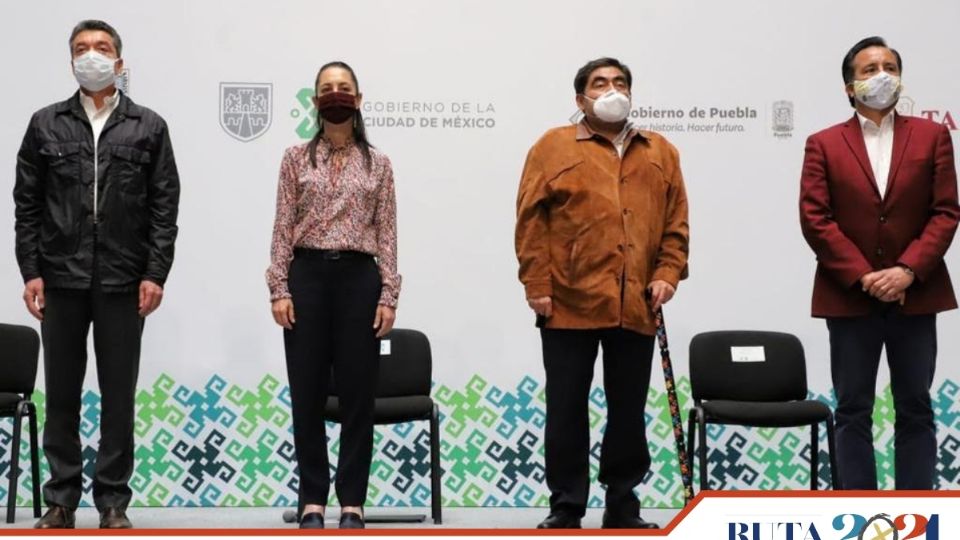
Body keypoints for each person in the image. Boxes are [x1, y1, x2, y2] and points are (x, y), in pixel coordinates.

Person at [14, 20, 180, 529]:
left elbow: (164, 207)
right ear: (71, 63)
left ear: (120, 62)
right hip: (61, 279)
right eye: (82, 49)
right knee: (61, 393)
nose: (92, 55)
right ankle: (61, 499)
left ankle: (112, 502)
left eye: (102, 48)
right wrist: (31, 271)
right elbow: (27, 205)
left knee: (117, 395)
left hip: (124, 281)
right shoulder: (45, 124)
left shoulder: (148, 126)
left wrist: (155, 273)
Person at [514, 57, 689, 529]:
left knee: (628, 411)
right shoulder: (551, 147)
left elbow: (676, 224)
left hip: (636, 302)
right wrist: (537, 284)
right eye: (600, 83)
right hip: (568, 302)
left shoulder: (660, 151)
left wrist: (668, 274)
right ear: (580, 99)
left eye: (619, 83)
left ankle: (622, 504)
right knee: (566, 409)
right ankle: (567, 506)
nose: (611, 90)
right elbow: (531, 221)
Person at [800, 36, 959, 490]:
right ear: (850, 87)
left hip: (917, 292)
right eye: (869, 69)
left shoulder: (932, 137)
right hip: (850, 295)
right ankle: (859, 511)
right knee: (852, 409)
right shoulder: (824, 144)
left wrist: (908, 269)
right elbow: (816, 218)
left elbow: (945, 211)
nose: (881, 75)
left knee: (916, 406)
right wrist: (866, 276)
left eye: (889, 66)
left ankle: (916, 511)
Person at [266, 61, 400, 529]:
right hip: (307, 279)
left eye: (344, 88)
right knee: (306, 394)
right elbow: (283, 227)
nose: (336, 95)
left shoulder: (378, 163)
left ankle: (352, 501)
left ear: (358, 100)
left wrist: (389, 295)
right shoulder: (294, 158)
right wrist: (279, 287)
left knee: (358, 396)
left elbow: (388, 234)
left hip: (360, 280)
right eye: (327, 89)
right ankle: (312, 499)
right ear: (315, 100)